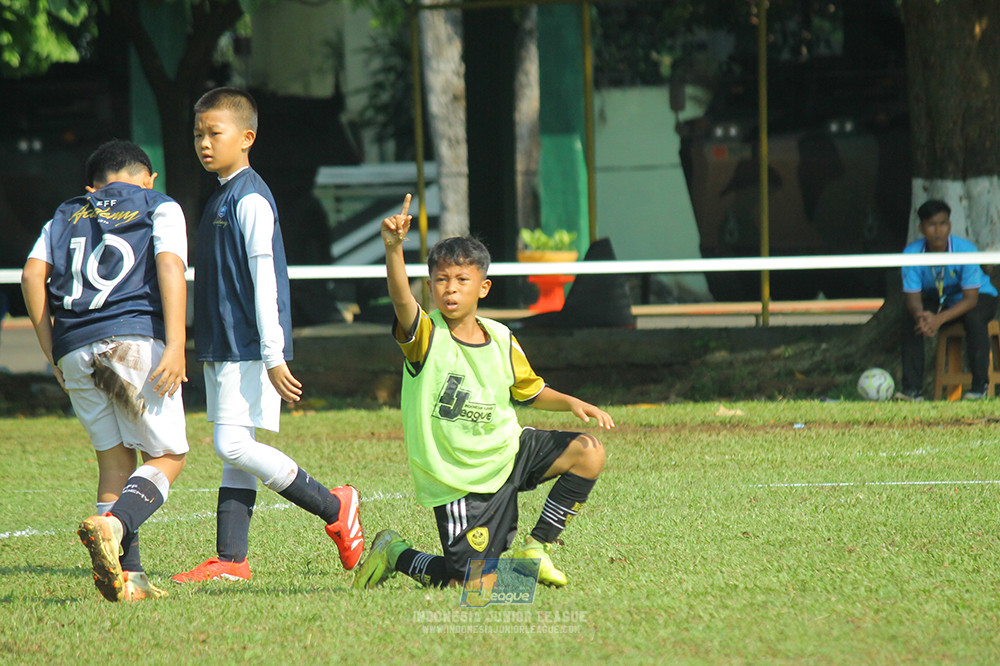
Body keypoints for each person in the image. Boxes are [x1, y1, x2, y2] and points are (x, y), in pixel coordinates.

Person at [353, 195, 615, 591]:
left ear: (484, 287)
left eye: (462, 280)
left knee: (589, 451)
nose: (451, 290)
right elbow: (400, 298)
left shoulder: (501, 336)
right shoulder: (425, 336)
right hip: (459, 479)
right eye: (441, 281)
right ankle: (396, 553)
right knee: (474, 587)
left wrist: (571, 402)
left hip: (508, 452)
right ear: (430, 287)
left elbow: (529, 391)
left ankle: (536, 546)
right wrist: (394, 249)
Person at [172, 87, 363, 583]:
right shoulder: (222, 194)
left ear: (247, 137)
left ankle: (334, 505)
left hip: (248, 346)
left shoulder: (251, 197)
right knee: (238, 441)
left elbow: (266, 282)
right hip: (222, 343)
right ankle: (232, 559)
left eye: (215, 133)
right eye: (198, 134)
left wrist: (273, 354)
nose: (204, 143)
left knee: (231, 445)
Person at [20, 139, 189, 602]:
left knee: (115, 461)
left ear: (92, 187)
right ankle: (114, 525)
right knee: (170, 455)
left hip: (74, 347)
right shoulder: (159, 204)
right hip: (131, 341)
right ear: (148, 178)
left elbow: (32, 275)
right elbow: (170, 265)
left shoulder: (65, 212)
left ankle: (128, 578)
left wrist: (52, 350)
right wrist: (176, 345)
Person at [898, 199, 999, 400]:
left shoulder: (966, 250)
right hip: (939, 299)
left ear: (950, 226)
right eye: (932, 225)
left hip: (979, 297)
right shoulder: (911, 253)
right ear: (921, 228)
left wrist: (939, 319)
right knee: (909, 319)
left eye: (943, 224)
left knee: (974, 318)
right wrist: (922, 316)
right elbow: (912, 297)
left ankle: (979, 388)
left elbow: (971, 299)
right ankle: (912, 391)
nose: (938, 231)